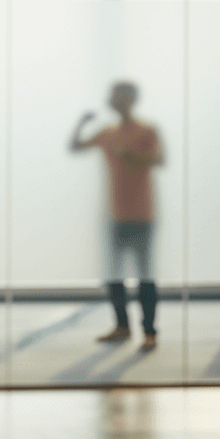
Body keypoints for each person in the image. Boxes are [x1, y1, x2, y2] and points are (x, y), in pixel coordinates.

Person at [69, 81, 164, 352]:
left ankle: (149, 332)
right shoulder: (108, 132)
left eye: (121, 97)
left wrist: (129, 154)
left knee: (145, 276)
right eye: (113, 97)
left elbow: (157, 159)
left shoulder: (147, 130)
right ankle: (122, 327)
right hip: (114, 215)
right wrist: (81, 123)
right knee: (114, 276)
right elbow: (76, 146)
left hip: (142, 214)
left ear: (132, 99)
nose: (116, 101)